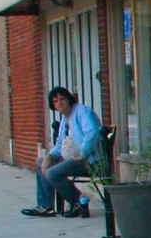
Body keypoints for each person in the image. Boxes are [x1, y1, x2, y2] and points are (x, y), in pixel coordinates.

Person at [23, 87, 102, 219]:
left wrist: (83, 154)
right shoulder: (66, 119)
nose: (59, 103)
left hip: (89, 160)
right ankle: (45, 206)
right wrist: (49, 157)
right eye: (55, 101)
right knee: (41, 162)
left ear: (69, 99)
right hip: (72, 159)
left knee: (52, 173)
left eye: (62, 99)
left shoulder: (83, 112)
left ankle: (78, 202)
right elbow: (60, 143)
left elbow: (93, 133)